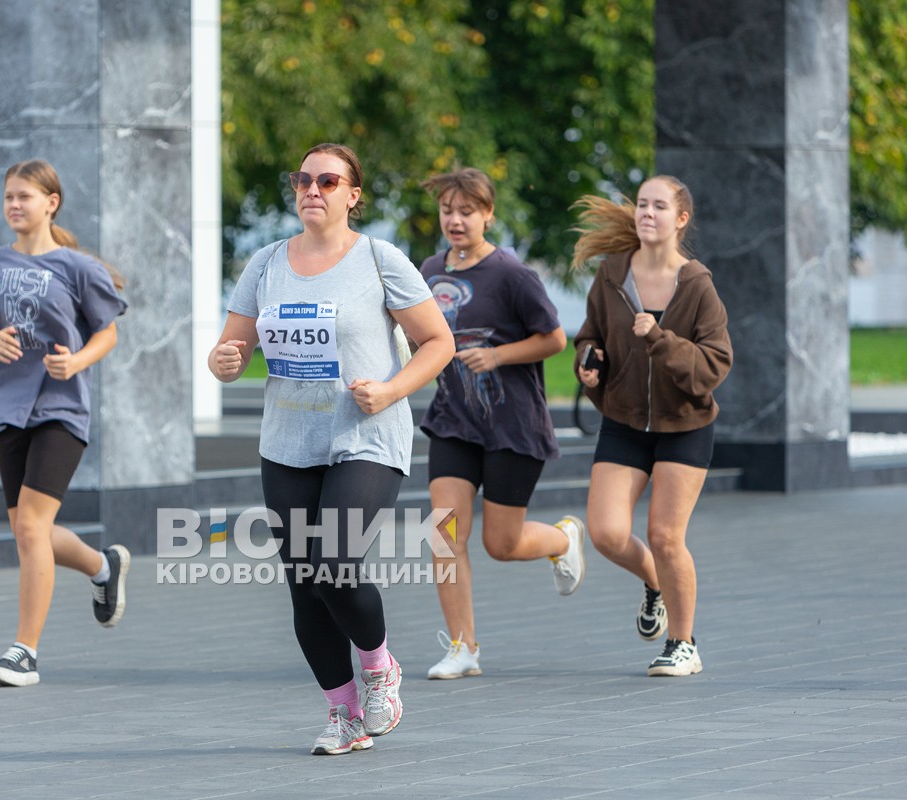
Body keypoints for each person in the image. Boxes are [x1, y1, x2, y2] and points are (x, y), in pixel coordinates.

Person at [208, 143, 455, 755]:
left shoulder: (379, 259)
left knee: (336, 564)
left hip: (366, 436)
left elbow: (437, 342)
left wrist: (392, 388)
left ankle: (378, 666)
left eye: (328, 180)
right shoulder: (266, 263)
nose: (312, 189)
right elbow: (230, 354)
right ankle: (343, 714)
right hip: (288, 441)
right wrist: (223, 361)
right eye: (302, 179)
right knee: (304, 583)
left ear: (353, 194)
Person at [0, 159, 131, 687]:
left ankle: (24, 652)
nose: (14, 205)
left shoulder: (78, 268)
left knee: (30, 527)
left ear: (51, 202)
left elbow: (109, 333)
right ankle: (102, 566)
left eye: (24, 196)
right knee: (32, 531)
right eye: (9, 196)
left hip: (61, 410)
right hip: (8, 407)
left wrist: (76, 361)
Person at [416, 167, 585, 680]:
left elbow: (555, 339)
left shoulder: (513, 275)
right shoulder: (428, 270)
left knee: (502, 544)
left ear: (488, 214)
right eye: (448, 210)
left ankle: (563, 539)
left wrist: (498, 356)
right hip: (453, 420)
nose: (456, 220)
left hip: (513, 425)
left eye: (467, 212)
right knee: (443, 533)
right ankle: (463, 647)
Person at [571, 175, 732, 677]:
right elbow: (590, 334)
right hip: (623, 421)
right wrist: (588, 360)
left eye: (659, 206)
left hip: (684, 425)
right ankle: (655, 584)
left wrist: (660, 338)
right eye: (642, 204)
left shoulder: (697, 284)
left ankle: (683, 643)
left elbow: (714, 365)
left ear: (680, 219)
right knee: (605, 533)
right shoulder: (613, 274)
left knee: (664, 535)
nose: (647, 213)